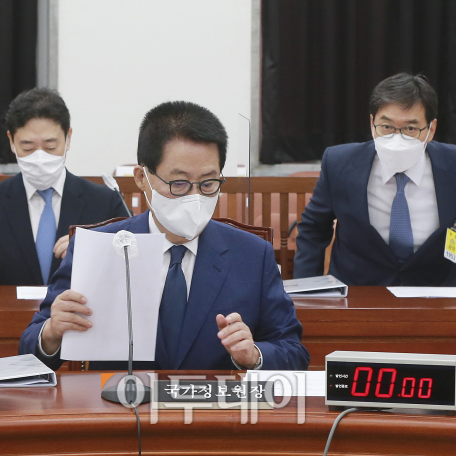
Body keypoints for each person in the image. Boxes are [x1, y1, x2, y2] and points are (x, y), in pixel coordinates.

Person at [19, 101, 309, 371]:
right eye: (179, 183)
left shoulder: (252, 255)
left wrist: (254, 355)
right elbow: (30, 351)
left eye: (208, 183)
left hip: (214, 405)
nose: (195, 196)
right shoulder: (97, 247)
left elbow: (293, 351)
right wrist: (52, 332)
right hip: (118, 403)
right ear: (142, 178)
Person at [293, 72, 456, 286]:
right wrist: (307, 295)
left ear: (431, 130)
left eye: (410, 128)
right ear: (372, 123)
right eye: (386, 127)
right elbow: (313, 229)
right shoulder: (339, 163)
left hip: (438, 294)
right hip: (358, 294)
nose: (397, 138)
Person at [0, 88, 131, 286]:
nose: (40, 157)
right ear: (11, 141)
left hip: (81, 308)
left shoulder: (104, 200)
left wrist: (96, 249)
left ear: (68, 138)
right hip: (11, 309)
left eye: (50, 147)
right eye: (28, 147)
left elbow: (138, 256)